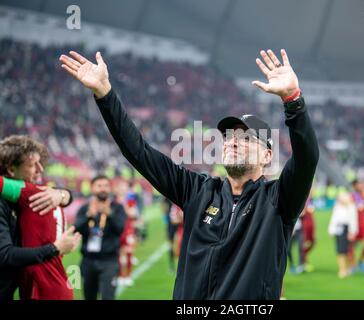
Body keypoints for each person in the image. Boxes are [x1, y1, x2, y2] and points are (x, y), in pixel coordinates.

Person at [59, 48, 319, 299]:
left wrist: (293, 101)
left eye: (247, 138)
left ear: (267, 155)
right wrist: (105, 94)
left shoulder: (279, 199)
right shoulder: (198, 190)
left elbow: (307, 159)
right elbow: (139, 152)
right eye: (228, 137)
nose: (233, 142)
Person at [0, 135, 80, 300]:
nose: (41, 170)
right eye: (32, 165)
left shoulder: (38, 195)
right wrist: (54, 248)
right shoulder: (36, 194)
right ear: (11, 170)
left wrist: (63, 194)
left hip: (40, 286)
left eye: (40, 163)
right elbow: (5, 255)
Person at [75, 175, 127, 300]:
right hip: (88, 261)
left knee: (108, 297)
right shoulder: (85, 208)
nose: (103, 189)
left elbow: (120, 229)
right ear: (92, 189)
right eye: (99, 186)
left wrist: (110, 214)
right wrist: (89, 215)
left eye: (106, 186)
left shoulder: (117, 207)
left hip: (109, 261)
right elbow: (77, 229)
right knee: (89, 297)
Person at [114, 179, 139, 287]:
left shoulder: (129, 200)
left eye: (124, 187)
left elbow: (133, 213)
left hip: (128, 229)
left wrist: (124, 208)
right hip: (117, 229)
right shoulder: (113, 201)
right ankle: (120, 276)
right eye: (120, 187)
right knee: (119, 253)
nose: (122, 189)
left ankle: (128, 276)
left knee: (129, 252)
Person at [328, 191, 358, 278]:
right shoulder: (337, 207)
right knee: (340, 250)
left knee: (346, 250)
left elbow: (353, 220)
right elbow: (334, 219)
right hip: (338, 229)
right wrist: (331, 229)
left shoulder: (351, 207)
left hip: (346, 229)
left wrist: (352, 231)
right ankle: (342, 269)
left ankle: (348, 268)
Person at [348, 179, 364, 273]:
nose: (361, 186)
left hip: (363, 225)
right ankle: (352, 265)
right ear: (354, 186)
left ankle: (361, 261)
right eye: (359, 184)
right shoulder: (351, 196)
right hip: (353, 225)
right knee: (351, 246)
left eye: (362, 184)